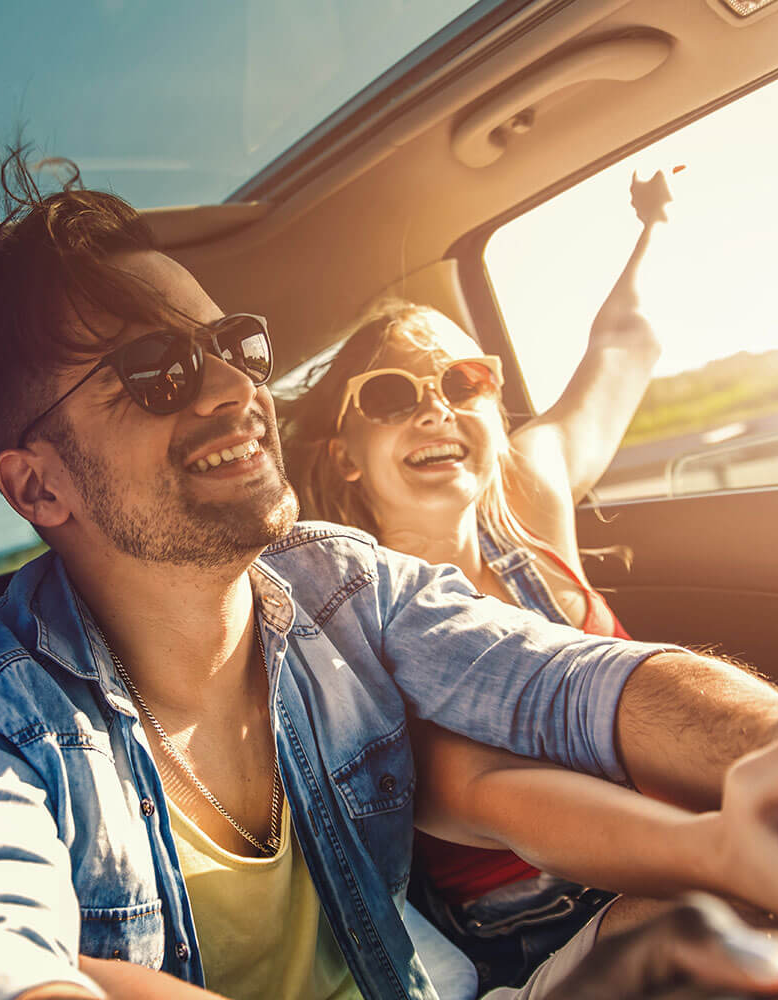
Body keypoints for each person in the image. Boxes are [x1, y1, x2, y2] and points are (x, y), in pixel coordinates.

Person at [0, 149, 778, 1000]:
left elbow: (576, 683)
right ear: (38, 489)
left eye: (231, 344)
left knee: (727, 947)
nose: (234, 387)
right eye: (153, 371)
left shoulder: (338, 587)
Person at [279, 171, 677, 984]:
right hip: (529, 921)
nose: (435, 411)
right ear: (344, 457)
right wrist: (717, 843)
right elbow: (498, 797)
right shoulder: (341, 622)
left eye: (465, 382)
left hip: (673, 839)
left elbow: (624, 343)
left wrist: (655, 224)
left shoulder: (529, 492)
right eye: (391, 396)